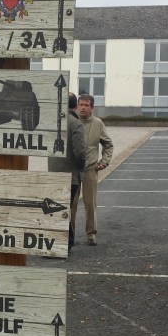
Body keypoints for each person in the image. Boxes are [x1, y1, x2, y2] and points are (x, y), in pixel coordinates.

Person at [72, 94, 113, 246]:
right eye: (81, 104)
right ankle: (70, 234)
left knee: (91, 204)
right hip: (73, 170)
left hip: (90, 169)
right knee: (71, 204)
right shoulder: (71, 122)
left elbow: (108, 144)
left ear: (92, 108)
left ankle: (91, 234)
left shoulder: (98, 123)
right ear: (76, 106)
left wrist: (104, 161)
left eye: (86, 105)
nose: (83, 108)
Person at [48, 93, 86, 252]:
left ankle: (59, 243)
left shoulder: (52, 122)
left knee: (56, 209)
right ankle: (65, 243)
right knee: (64, 210)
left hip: (53, 173)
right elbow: (80, 153)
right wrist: (81, 168)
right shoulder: (75, 123)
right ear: (75, 106)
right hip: (70, 176)